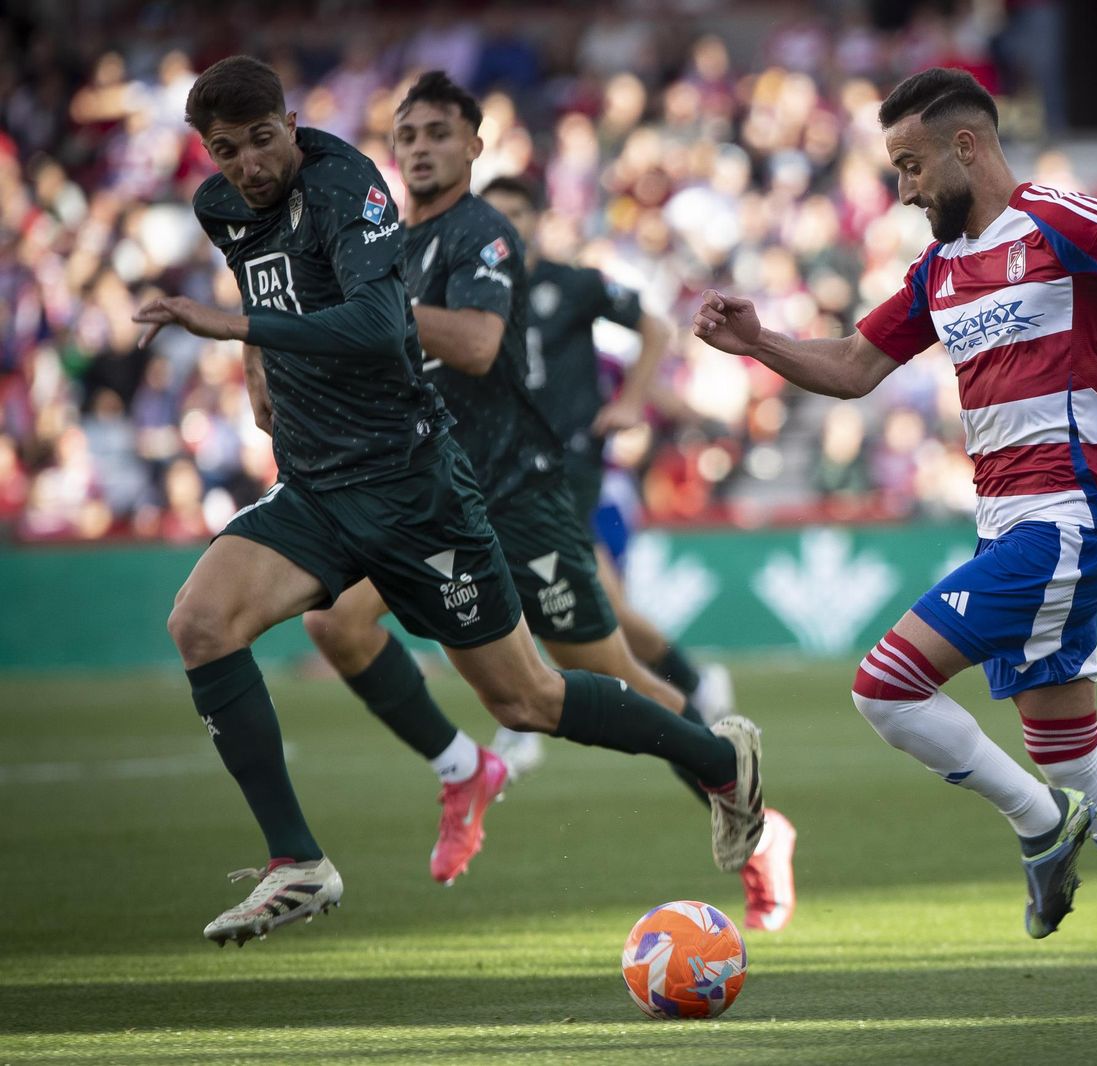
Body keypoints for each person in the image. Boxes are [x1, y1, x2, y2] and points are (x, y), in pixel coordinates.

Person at [691, 68, 1097, 1000]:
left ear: (968, 147)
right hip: (1011, 529)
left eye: (910, 166)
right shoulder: (939, 270)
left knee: (885, 688)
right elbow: (857, 365)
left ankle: (1037, 825)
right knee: (1067, 747)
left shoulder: (1056, 219)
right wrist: (760, 344)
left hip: (1066, 517)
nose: (902, 189)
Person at [133, 56, 765, 947]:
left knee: (530, 699)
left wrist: (237, 330)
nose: (247, 165)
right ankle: (298, 860)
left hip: (413, 487)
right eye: (225, 150)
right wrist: (256, 364)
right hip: (317, 487)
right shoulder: (221, 206)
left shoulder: (349, 187)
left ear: (292, 121)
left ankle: (717, 757)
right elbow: (259, 281)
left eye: (262, 140)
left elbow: (378, 324)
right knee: (202, 623)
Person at [300, 72, 796, 931]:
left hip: (516, 497)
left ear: (474, 147)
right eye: (407, 134)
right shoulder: (386, 250)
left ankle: (753, 819)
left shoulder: (487, 236)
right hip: (430, 497)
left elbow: (481, 342)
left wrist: (633, 399)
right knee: (336, 621)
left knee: (615, 673)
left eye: (438, 133)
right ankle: (463, 771)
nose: (420, 147)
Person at [479, 176, 738, 750]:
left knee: (536, 580)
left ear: (535, 219)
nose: (506, 225)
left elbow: (654, 326)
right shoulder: (471, 295)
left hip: (568, 464)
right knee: (600, 602)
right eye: (493, 215)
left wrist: (628, 401)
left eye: (517, 212)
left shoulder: (571, 284)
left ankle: (525, 715)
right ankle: (692, 686)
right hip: (501, 466)